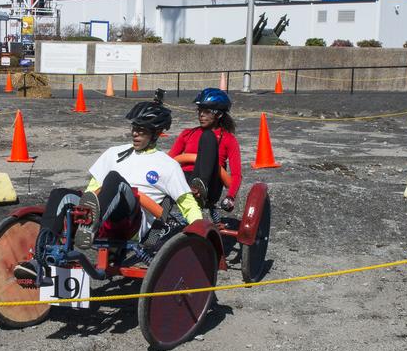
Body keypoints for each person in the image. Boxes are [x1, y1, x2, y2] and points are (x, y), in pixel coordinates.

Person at [14, 99, 203, 282]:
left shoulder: (168, 165)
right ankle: (41, 259)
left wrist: (201, 233)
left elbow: (187, 203)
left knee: (115, 180)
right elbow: (92, 190)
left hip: (132, 223)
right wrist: (80, 208)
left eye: (142, 130)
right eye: (134, 128)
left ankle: (89, 227)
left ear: (156, 134)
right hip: (101, 215)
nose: (135, 134)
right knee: (60, 195)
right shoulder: (114, 152)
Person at [168, 87, 242, 212]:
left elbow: (236, 174)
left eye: (207, 111)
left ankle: (200, 188)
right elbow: (169, 160)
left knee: (208, 136)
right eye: (200, 110)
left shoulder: (229, 139)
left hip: (210, 184)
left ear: (218, 114)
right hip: (184, 179)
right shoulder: (187, 133)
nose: (201, 115)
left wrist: (230, 196)